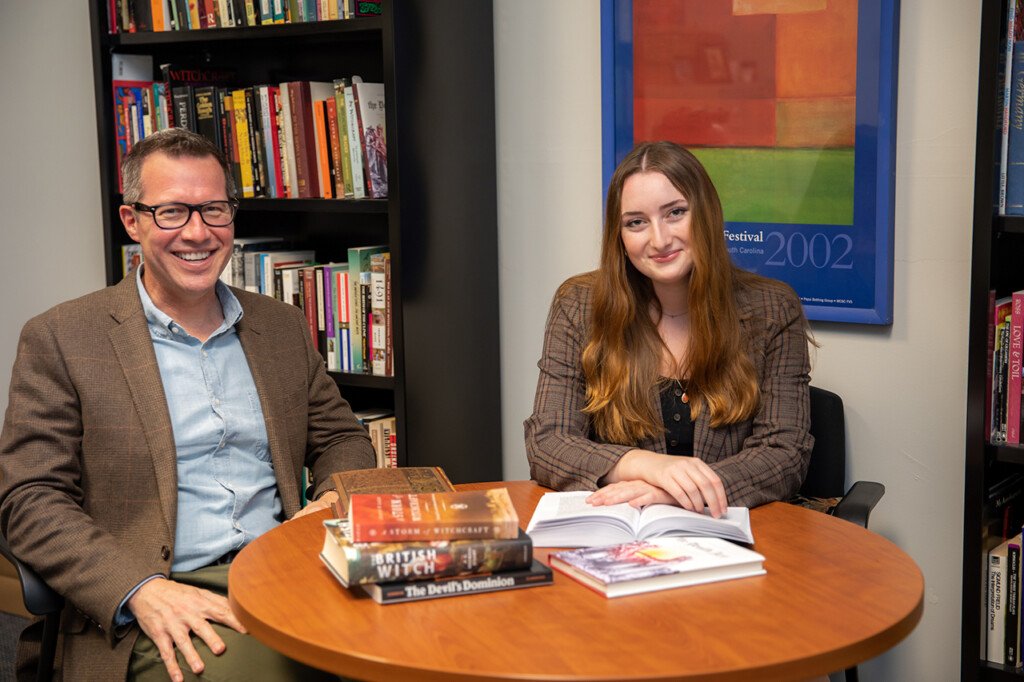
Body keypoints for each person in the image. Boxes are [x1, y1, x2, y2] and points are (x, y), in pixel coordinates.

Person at [0, 128, 376, 681]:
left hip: (288, 572)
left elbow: (342, 438)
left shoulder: (280, 327)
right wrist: (140, 590)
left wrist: (330, 498)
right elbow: (30, 499)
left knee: (422, 647)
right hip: (161, 597)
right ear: (133, 221)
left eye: (214, 210)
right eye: (172, 212)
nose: (197, 233)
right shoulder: (63, 338)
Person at [525, 140, 813, 518]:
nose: (658, 240)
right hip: (619, 537)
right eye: (636, 222)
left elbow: (785, 453)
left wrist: (679, 493)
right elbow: (548, 441)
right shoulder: (579, 304)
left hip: (730, 535)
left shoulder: (774, 308)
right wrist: (649, 466)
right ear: (619, 234)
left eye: (675, 213)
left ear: (706, 215)